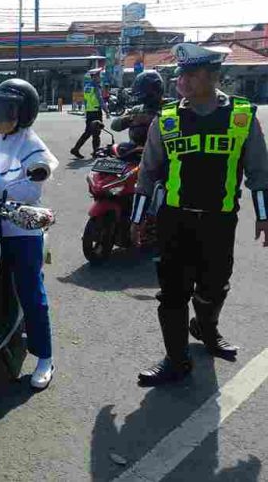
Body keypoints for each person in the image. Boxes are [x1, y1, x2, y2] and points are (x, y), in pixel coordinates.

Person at [131, 43, 268, 387]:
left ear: (212, 76)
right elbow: (147, 173)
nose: (182, 81)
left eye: (191, 74)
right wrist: (137, 218)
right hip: (174, 221)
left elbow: (259, 173)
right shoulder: (167, 119)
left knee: (214, 287)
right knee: (172, 294)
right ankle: (177, 361)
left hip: (219, 222)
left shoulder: (242, 115)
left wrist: (263, 216)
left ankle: (206, 328)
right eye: (180, 75)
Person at [0, 79, 59, 390]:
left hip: (22, 227)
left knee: (30, 291)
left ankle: (44, 357)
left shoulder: (34, 147)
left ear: (24, 113)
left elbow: (30, 190)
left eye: (4, 109)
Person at [111, 70, 165, 147]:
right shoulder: (137, 110)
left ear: (156, 89)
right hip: (136, 153)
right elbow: (114, 125)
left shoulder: (170, 107)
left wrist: (153, 119)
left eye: (146, 92)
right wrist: (132, 119)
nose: (143, 97)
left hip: (160, 152)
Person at [70, 67, 109, 159]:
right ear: (94, 77)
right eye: (99, 76)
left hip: (89, 112)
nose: (100, 78)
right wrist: (106, 110)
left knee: (88, 132)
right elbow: (99, 99)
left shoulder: (87, 86)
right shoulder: (95, 86)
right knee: (96, 133)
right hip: (96, 112)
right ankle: (95, 151)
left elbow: (85, 100)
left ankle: (77, 149)